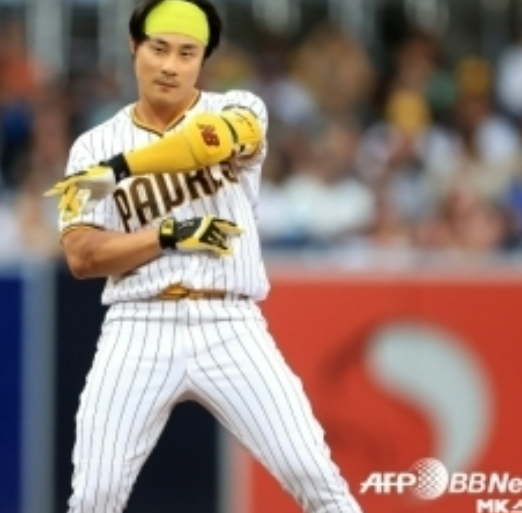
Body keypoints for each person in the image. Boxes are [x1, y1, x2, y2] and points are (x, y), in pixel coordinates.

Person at [45, 1, 364, 511]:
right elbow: (82, 257)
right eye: (159, 49)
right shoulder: (91, 148)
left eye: (187, 53)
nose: (170, 65)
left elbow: (203, 144)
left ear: (203, 59)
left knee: (314, 475)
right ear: (134, 46)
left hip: (230, 322)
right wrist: (166, 234)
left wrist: (121, 169)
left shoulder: (240, 108)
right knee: (94, 496)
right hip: (137, 324)